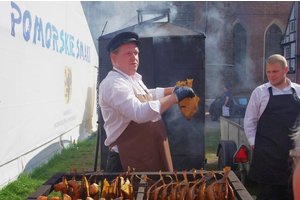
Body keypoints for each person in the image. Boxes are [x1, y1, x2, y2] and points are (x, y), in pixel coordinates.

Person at [98, 32, 195, 173]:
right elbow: (139, 113)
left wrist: (170, 90)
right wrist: (175, 97)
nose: (134, 58)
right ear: (114, 57)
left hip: (144, 153)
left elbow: (148, 95)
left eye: (136, 53)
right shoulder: (114, 83)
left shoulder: (132, 79)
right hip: (126, 160)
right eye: (128, 54)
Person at [244, 54, 300, 200]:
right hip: (267, 157)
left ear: (285, 70)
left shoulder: (298, 92)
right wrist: (254, 142)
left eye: (275, 71)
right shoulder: (260, 92)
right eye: (268, 72)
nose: (271, 75)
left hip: (292, 158)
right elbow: (250, 120)